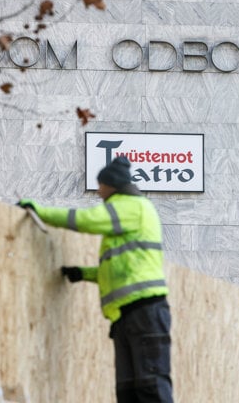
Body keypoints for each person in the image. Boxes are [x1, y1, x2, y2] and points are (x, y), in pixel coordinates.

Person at [18, 156, 173, 403]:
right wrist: (84, 273)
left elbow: (86, 220)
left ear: (112, 184)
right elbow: (119, 270)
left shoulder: (131, 206)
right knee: (129, 391)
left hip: (144, 311)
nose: (98, 190)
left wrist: (41, 211)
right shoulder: (128, 212)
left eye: (101, 184)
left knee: (150, 387)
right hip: (129, 315)